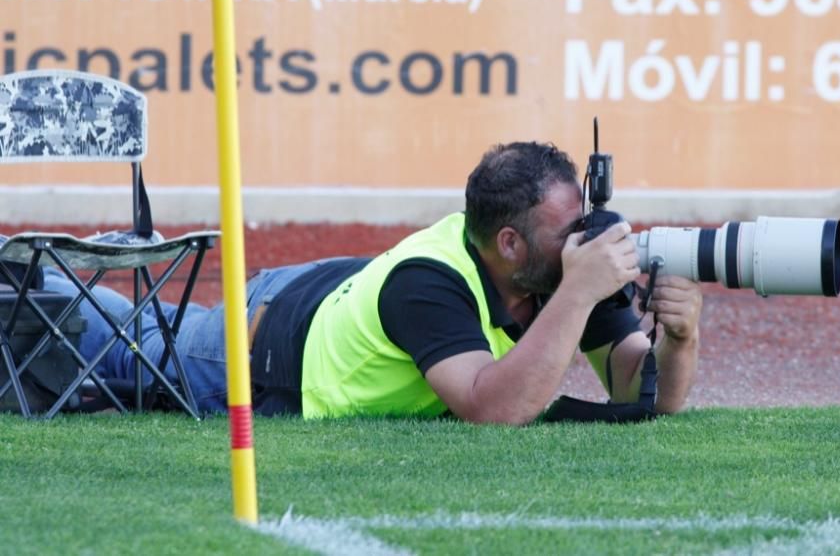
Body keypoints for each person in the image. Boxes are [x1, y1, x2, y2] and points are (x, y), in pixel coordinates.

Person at [44, 142, 703, 424]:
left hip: (330, 294)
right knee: (128, 342)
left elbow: (638, 392)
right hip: (261, 342)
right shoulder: (431, 281)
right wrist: (581, 292)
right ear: (510, 242)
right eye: (568, 230)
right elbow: (494, 409)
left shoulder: (554, 267)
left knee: (115, 340)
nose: (585, 243)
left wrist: (680, 340)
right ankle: (25, 268)